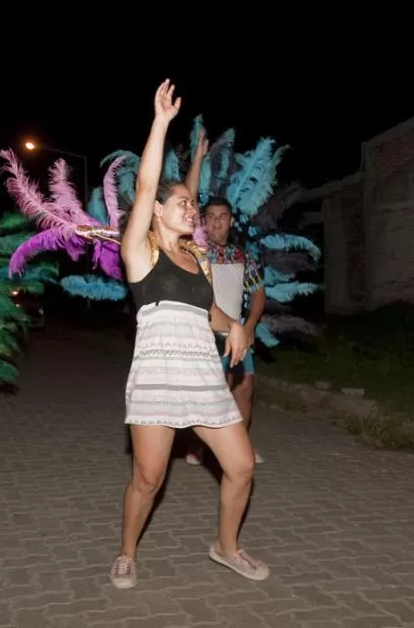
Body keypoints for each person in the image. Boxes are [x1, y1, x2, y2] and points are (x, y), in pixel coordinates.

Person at [111, 80, 269, 589]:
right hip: (158, 378)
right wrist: (160, 123)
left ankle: (226, 547)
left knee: (242, 466)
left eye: (191, 203)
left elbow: (214, 315)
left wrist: (240, 327)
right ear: (156, 211)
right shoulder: (141, 251)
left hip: (204, 377)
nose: (190, 207)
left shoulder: (197, 258)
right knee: (148, 479)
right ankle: (127, 553)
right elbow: (146, 184)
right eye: (179, 201)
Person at [184, 193, 267, 466]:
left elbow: (257, 293)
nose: (217, 222)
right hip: (203, 334)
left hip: (237, 334)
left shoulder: (244, 256)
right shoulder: (195, 252)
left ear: (231, 221)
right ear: (204, 222)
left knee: (244, 389)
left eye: (223, 217)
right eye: (211, 217)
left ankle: (239, 447)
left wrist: (250, 325)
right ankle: (199, 447)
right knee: (211, 395)